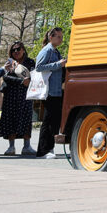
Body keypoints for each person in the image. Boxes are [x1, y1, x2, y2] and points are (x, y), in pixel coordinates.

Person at [34, 27, 67, 159]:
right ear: (51, 37)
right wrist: (58, 64)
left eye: (61, 36)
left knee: (53, 121)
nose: (61, 39)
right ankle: (42, 150)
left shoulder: (55, 51)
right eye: (58, 36)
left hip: (56, 90)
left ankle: (49, 148)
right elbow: (39, 67)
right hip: (49, 91)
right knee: (47, 121)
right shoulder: (47, 50)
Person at [0, 41, 36, 156]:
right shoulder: (10, 62)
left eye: (18, 49)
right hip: (11, 95)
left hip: (26, 95)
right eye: (13, 50)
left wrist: (29, 82)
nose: (16, 51)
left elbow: (34, 75)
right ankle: (11, 147)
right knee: (11, 119)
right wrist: (21, 81)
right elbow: (6, 77)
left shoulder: (30, 62)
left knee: (26, 119)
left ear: (23, 50)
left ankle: (27, 146)